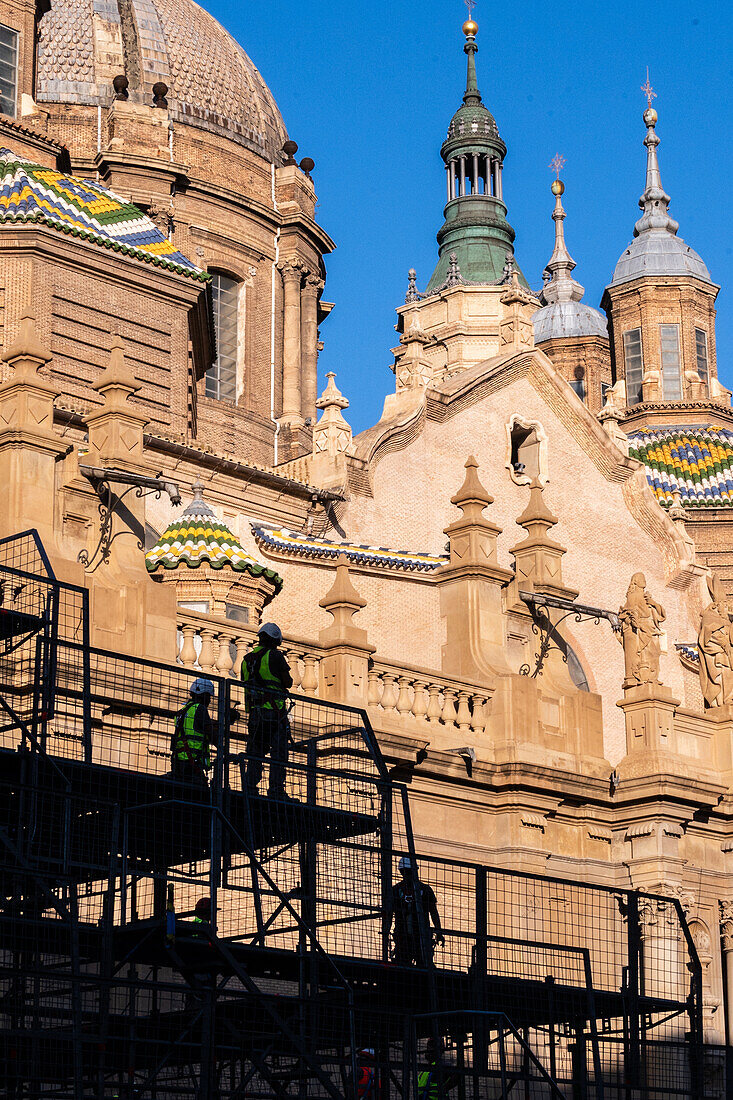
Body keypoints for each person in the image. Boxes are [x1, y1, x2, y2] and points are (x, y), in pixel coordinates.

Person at [241, 622, 293, 799]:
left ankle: (250, 786)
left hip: (256, 713)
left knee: (255, 751)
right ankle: (276, 790)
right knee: (279, 751)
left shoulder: (246, 660)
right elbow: (288, 682)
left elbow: (246, 688)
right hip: (274, 712)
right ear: (274, 641)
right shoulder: (275, 656)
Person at [388, 856, 444, 966]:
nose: (409, 875)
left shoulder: (424, 890)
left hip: (421, 936)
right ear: (402, 872)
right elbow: (389, 913)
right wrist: (386, 931)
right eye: (406, 872)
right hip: (403, 936)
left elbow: (433, 912)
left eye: (410, 872)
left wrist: (439, 931)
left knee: (422, 964)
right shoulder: (396, 891)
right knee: (403, 964)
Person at [171, 678, 215, 785]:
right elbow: (211, 733)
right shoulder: (200, 709)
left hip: (178, 762)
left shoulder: (182, 711)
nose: (209, 700)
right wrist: (225, 750)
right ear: (203, 695)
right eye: (208, 696)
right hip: (192, 763)